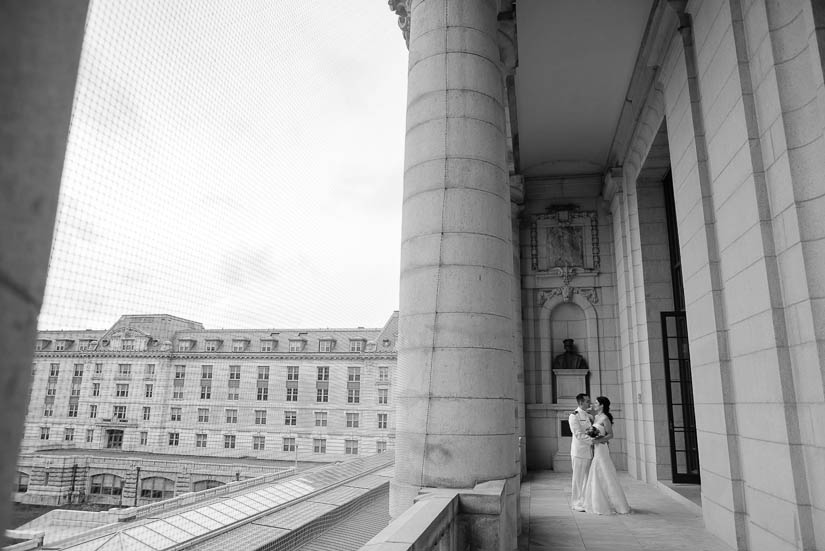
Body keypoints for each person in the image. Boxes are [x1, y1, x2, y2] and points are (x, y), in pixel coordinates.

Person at [582, 396, 631, 515]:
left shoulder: (605, 418)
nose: (594, 404)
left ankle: (617, 504)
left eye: (596, 403)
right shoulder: (596, 417)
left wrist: (598, 440)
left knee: (605, 472)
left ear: (602, 405)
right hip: (597, 448)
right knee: (596, 473)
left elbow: (611, 435)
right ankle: (597, 502)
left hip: (602, 448)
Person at [568, 393, 593, 512]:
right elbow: (578, 434)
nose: (590, 403)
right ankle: (576, 503)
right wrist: (593, 441)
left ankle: (584, 500)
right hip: (579, 452)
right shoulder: (574, 416)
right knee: (578, 478)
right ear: (581, 402)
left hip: (589, 452)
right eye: (587, 401)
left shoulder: (588, 415)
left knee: (587, 478)